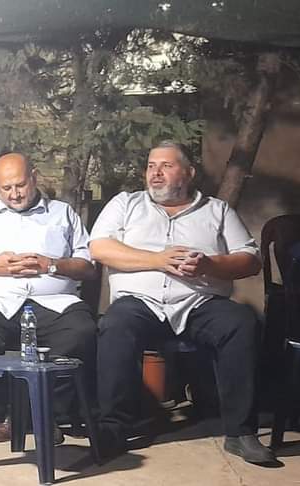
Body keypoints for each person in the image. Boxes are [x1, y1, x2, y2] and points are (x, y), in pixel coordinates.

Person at [90, 141, 276, 465]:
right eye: (151, 166)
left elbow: (250, 260)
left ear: (189, 173)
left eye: (166, 166)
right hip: (140, 303)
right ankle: (113, 429)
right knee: (115, 325)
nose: (155, 173)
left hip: (199, 302)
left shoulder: (217, 211)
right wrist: (157, 260)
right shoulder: (126, 204)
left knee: (240, 322)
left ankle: (240, 433)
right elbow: (99, 247)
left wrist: (209, 265)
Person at [0, 153, 98, 444]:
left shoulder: (63, 213)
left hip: (54, 303)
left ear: (34, 177)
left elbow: (87, 267)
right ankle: (6, 409)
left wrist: (51, 265)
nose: (14, 194)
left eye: (20, 185)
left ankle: (45, 412)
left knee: (82, 333)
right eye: (6, 188)